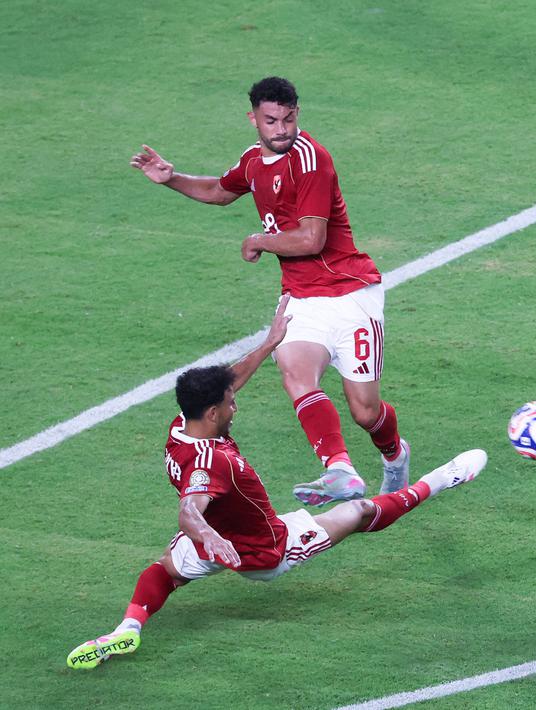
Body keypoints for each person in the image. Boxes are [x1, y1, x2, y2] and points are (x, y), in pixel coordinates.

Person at [66, 297, 487, 669]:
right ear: (213, 412)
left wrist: (270, 342)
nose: (237, 404)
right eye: (230, 403)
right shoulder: (210, 462)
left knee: (165, 570)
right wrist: (210, 537)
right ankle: (442, 478)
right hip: (267, 548)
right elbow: (189, 509)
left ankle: (128, 627)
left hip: (218, 538)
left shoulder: (184, 425)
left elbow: (227, 381)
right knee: (357, 512)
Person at [130, 76, 408, 505]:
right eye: (271, 121)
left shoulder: (312, 161)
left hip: (350, 292)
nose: (281, 130)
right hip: (301, 296)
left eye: (289, 119)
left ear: (298, 113)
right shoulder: (253, 161)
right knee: (295, 370)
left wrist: (258, 240)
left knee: (365, 411)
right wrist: (170, 178)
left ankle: (394, 456)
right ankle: (340, 469)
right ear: (254, 119)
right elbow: (221, 191)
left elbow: (311, 239)